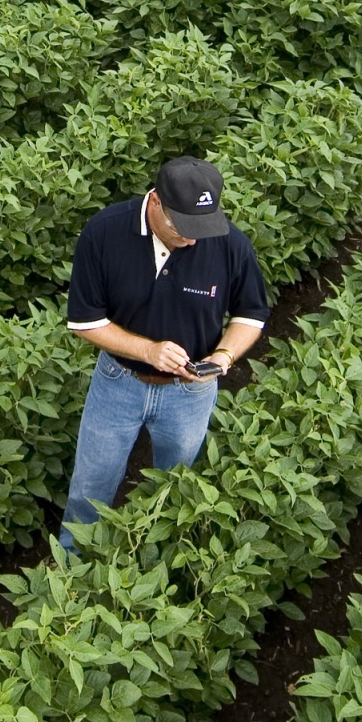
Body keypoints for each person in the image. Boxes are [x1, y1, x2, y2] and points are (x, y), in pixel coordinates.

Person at [58, 155, 269, 547]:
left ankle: (154, 568)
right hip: (118, 382)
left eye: (200, 228)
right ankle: (72, 569)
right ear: (155, 202)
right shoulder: (104, 233)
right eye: (183, 227)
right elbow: (85, 321)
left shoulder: (228, 244)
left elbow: (250, 313)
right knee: (90, 486)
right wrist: (148, 350)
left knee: (174, 490)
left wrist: (222, 357)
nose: (192, 239)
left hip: (190, 393)